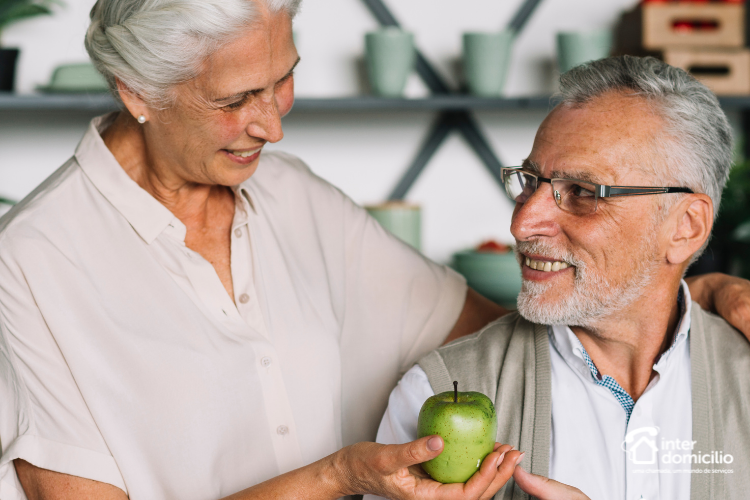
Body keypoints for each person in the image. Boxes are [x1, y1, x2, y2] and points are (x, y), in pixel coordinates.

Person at [0, 0, 745, 497]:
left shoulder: (289, 194)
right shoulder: (32, 261)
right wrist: (340, 475)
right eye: (235, 101)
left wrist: (685, 292)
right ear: (138, 92)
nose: (273, 126)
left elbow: (506, 329)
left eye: (283, 79)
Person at [367, 56, 750, 500]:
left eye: (583, 192)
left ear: (686, 226)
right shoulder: (431, 395)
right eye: (530, 182)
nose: (523, 223)